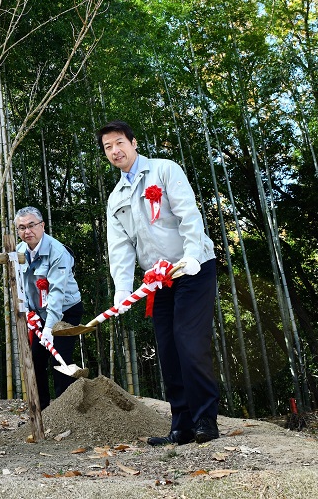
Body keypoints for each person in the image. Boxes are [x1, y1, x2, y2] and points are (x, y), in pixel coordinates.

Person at [97, 120, 220, 445]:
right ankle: (181, 426)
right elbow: (120, 247)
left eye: (119, 142)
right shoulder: (115, 198)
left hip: (193, 268)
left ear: (133, 142)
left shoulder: (165, 170)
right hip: (158, 279)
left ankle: (206, 420)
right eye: (108, 147)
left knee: (189, 342)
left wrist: (193, 254)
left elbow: (188, 216)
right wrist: (121, 288)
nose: (115, 151)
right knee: (166, 348)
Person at [15, 206, 84, 410]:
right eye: (21, 228)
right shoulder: (18, 252)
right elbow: (19, 286)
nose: (27, 231)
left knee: (59, 359)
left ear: (42, 225)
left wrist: (49, 329)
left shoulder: (57, 251)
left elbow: (56, 294)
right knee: (35, 359)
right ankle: (42, 411)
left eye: (31, 225)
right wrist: (27, 312)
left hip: (65, 310)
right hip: (37, 313)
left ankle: (66, 411)